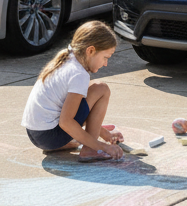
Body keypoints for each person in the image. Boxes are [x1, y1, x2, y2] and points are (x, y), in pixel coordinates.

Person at [21, 20, 125, 162]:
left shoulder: (68, 60)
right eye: (105, 57)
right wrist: (102, 146)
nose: (105, 64)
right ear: (90, 50)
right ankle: (90, 150)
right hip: (50, 136)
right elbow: (66, 122)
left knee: (92, 89)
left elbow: (73, 110)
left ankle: (81, 142)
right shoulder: (79, 74)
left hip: (36, 134)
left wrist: (103, 132)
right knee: (101, 88)